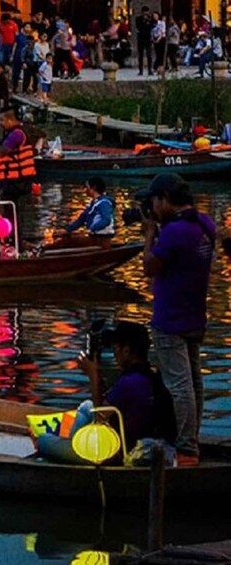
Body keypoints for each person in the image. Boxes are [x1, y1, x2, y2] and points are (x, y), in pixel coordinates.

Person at [139, 173, 216, 467]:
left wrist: (149, 233)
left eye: (155, 202)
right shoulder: (204, 224)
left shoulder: (173, 232)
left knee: (180, 386)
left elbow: (149, 267)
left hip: (170, 319)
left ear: (165, 200)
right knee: (194, 382)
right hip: (195, 316)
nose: (153, 208)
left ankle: (186, 449)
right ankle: (191, 440)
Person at [77, 321, 177, 448]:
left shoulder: (129, 382)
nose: (114, 353)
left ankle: (73, 446)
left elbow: (100, 417)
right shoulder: (153, 376)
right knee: (86, 407)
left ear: (126, 351)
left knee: (45, 440)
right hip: (148, 439)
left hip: (123, 450)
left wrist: (93, 375)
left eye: (116, 348)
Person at [0, 108, 36, 202]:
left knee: (7, 206)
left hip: (15, 183)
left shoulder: (16, 134)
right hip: (17, 181)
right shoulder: (19, 132)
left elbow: (1, 151)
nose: (1, 124)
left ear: (10, 120)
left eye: (2, 120)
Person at [59, 177, 114, 248]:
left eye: (87, 187)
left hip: (102, 239)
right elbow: (81, 220)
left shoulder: (104, 203)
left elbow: (106, 220)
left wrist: (92, 228)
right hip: (94, 237)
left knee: (68, 242)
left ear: (93, 188)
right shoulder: (92, 204)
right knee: (66, 238)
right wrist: (67, 230)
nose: (85, 190)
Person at [135, 6, 154, 76]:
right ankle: (140, 70)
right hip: (141, 39)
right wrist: (144, 22)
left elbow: (151, 27)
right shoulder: (138, 19)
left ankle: (150, 70)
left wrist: (148, 21)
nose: (145, 15)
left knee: (149, 55)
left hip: (148, 39)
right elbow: (139, 28)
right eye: (144, 13)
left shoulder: (150, 19)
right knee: (140, 55)